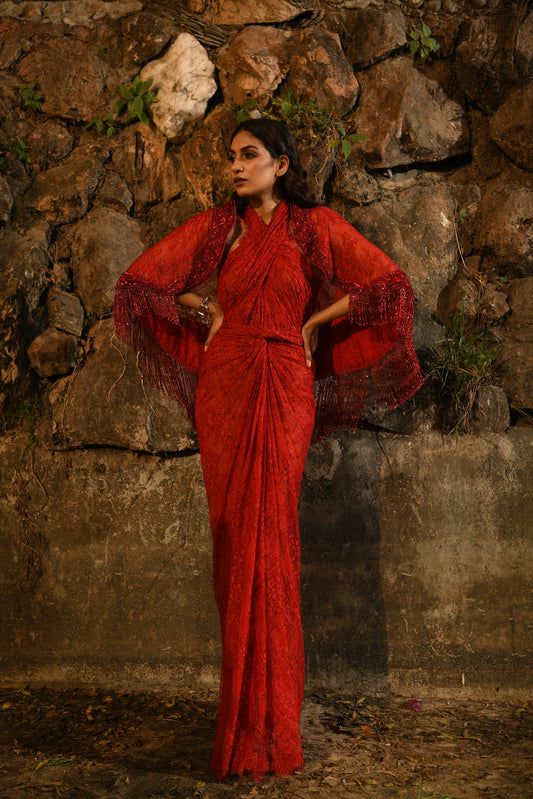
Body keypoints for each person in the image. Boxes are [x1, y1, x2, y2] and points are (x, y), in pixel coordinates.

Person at [114, 118, 423, 781]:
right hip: (225, 384)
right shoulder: (216, 228)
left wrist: (313, 320)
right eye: (230, 157)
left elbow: (389, 288)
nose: (234, 166)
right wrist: (205, 312)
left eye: (247, 155)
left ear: (280, 165)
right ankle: (239, 730)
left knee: (272, 539)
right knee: (231, 540)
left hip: (285, 384)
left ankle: (274, 733)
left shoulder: (314, 229)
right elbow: (144, 286)